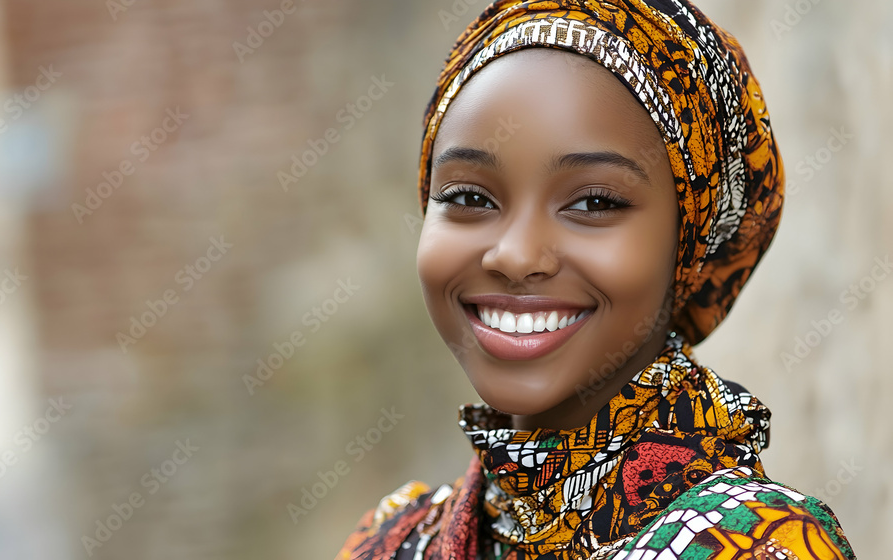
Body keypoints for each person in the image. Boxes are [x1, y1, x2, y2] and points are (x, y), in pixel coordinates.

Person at [336, 1, 856, 558]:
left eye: (594, 202)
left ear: (687, 245)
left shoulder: (759, 546)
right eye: (468, 197)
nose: (514, 255)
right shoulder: (392, 540)